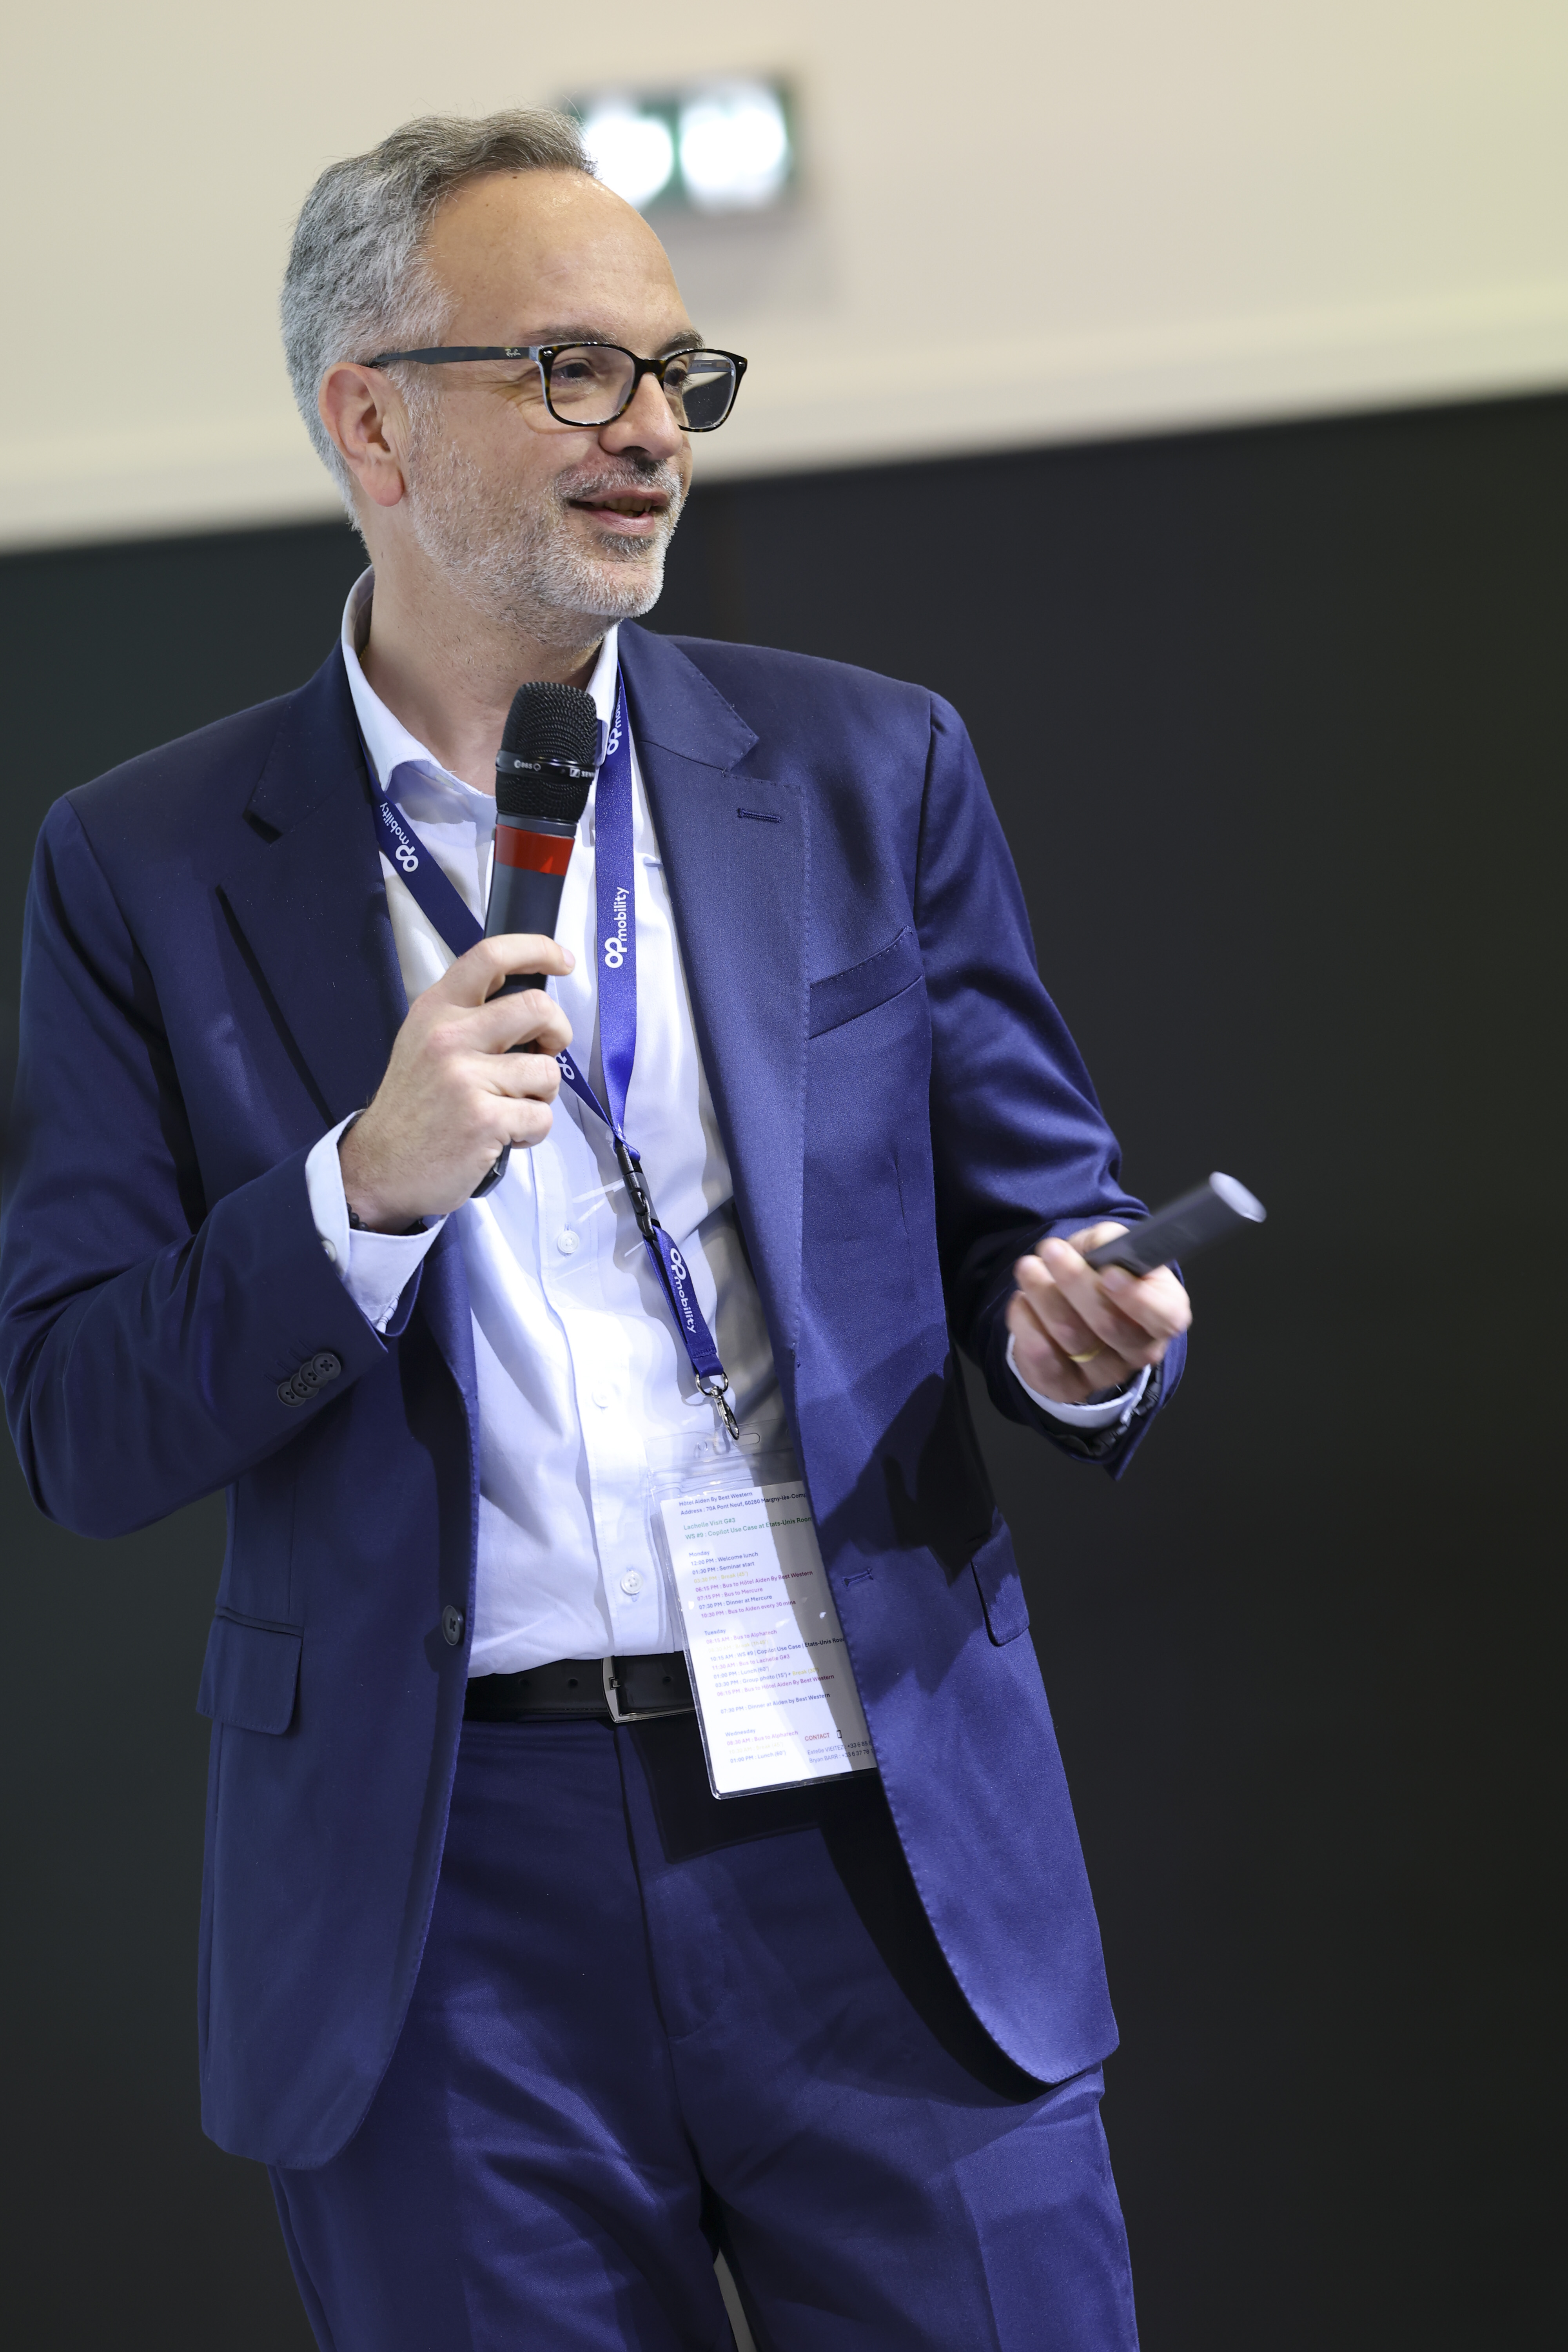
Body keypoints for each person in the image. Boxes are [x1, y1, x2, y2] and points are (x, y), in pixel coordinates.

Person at [0, 111, 1191, 2352]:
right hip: (441, 1891)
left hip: (873, 1827)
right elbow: (78, 1416)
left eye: (678, 373)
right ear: (371, 421)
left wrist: (1083, 1331)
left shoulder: (871, 769)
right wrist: (359, 1190)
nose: (653, 431)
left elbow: (1044, 1217)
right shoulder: (144, 865)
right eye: (572, 370)